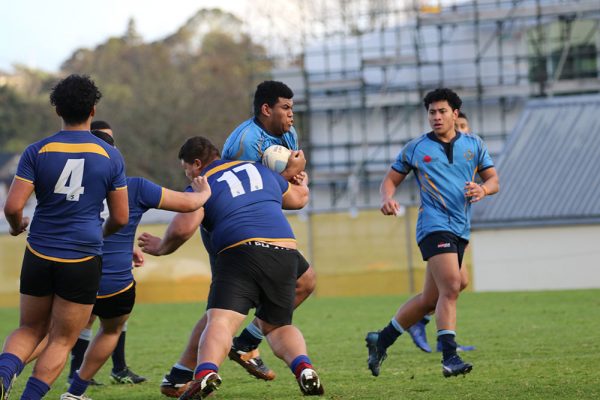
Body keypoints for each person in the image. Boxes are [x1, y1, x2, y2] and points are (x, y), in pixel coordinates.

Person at [153, 80, 316, 396]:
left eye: (292, 108)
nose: (291, 115)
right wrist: (292, 181)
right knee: (224, 310)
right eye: (285, 108)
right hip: (229, 228)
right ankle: (183, 374)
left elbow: (270, 185)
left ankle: (243, 344)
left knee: (305, 281)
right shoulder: (243, 143)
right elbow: (250, 186)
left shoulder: (287, 133)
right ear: (267, 109)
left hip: (263, 228)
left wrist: (300, 179)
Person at [0, 74, 129, 400]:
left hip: (40, 251)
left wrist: (17, 226)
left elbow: (13, 206)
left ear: (56, 108)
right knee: (61, 340)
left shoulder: (37, 150)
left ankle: (2, 376)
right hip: (83, 258)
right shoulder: (110, 156)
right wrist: (99, 234)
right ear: (93, 108)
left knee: (28, 329)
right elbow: (121, 217)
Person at [60, 124, 211, 400]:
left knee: (48, 337)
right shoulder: (135, 187)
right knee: (111, 328)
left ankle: (10, 371)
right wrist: (202, 192)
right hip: (113, 282)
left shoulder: (67, 191)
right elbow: (186, 205)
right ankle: (75, 391)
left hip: (69, 273)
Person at [366, 88, 499, 378]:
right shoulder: (416, 148)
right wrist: (386, 198)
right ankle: (450, 356)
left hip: (460, 228)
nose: (436, 117)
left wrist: (483, 189)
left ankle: (381, 340)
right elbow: (390, 180)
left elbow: (493, 179)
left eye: (441, 111)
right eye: (431, 112)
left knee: (430, 299)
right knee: (452, 285)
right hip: (433, 225)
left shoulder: (474, 145)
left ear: (455, 114)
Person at [66, 121, 144, 387]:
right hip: (86, 259)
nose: (111, 146)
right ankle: (76, 375)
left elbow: (116, 217)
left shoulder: (111, 176)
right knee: (84, 321)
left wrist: (127, 245)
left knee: (111, 318)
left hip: (101, 256)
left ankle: (115, 369)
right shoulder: (87, 180)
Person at [406, 110, 475, 354]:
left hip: (458, 227)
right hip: (439, 227)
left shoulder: (468, 151)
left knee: (454, 284)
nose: (464, 130)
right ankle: (441, 340)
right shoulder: (430, 149)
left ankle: (424, 324)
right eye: (461, 125)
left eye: (466, 126)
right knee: (453, 284)